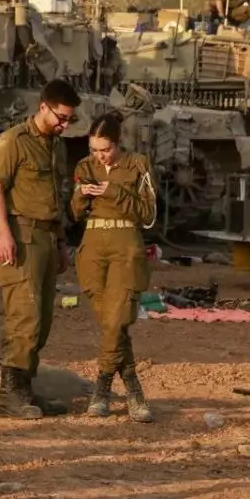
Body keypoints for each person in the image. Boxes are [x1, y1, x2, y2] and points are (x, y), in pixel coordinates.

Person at [0, 79, 79, 421]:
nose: (64, 125)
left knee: (43, 319)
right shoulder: (13, 141)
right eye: (61, 117)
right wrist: (3, 234)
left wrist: (62, 243)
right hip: (21, 235)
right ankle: (9, 395)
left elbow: (56, 197)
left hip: (47, 237)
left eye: (70, 119)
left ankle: (25, 390)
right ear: (43, 107)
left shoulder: (56, 146)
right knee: (24, 316)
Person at [71, 112, 157, 423]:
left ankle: (104, 388)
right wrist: (81, 195)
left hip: (125, 245)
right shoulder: (84, 167)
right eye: (94, 150)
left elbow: (148, 214)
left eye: (105, 149)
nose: (100, 155)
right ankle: (133, 390)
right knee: (111, 324)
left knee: (116, 320)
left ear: (118, 144)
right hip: (93, 248)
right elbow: (75, 214)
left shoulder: (138, 164)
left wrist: (113, 191)